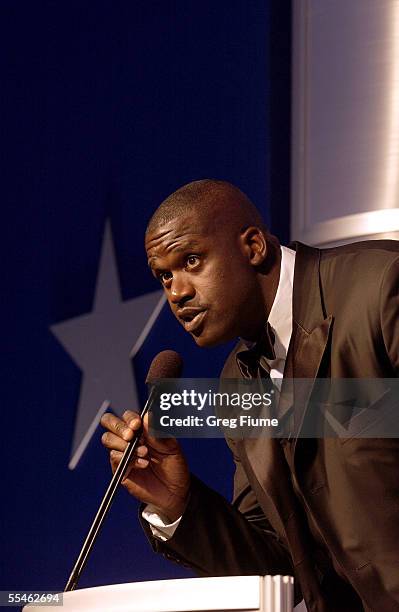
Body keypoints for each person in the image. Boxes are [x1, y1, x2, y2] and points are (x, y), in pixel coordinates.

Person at [100, 179, 399, 612]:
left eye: (192, 260)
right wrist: (179, 502)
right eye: (165, 275)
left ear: (253, 246)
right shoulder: (236, 384)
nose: (177, 292)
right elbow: (278, 571)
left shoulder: (381, 287)